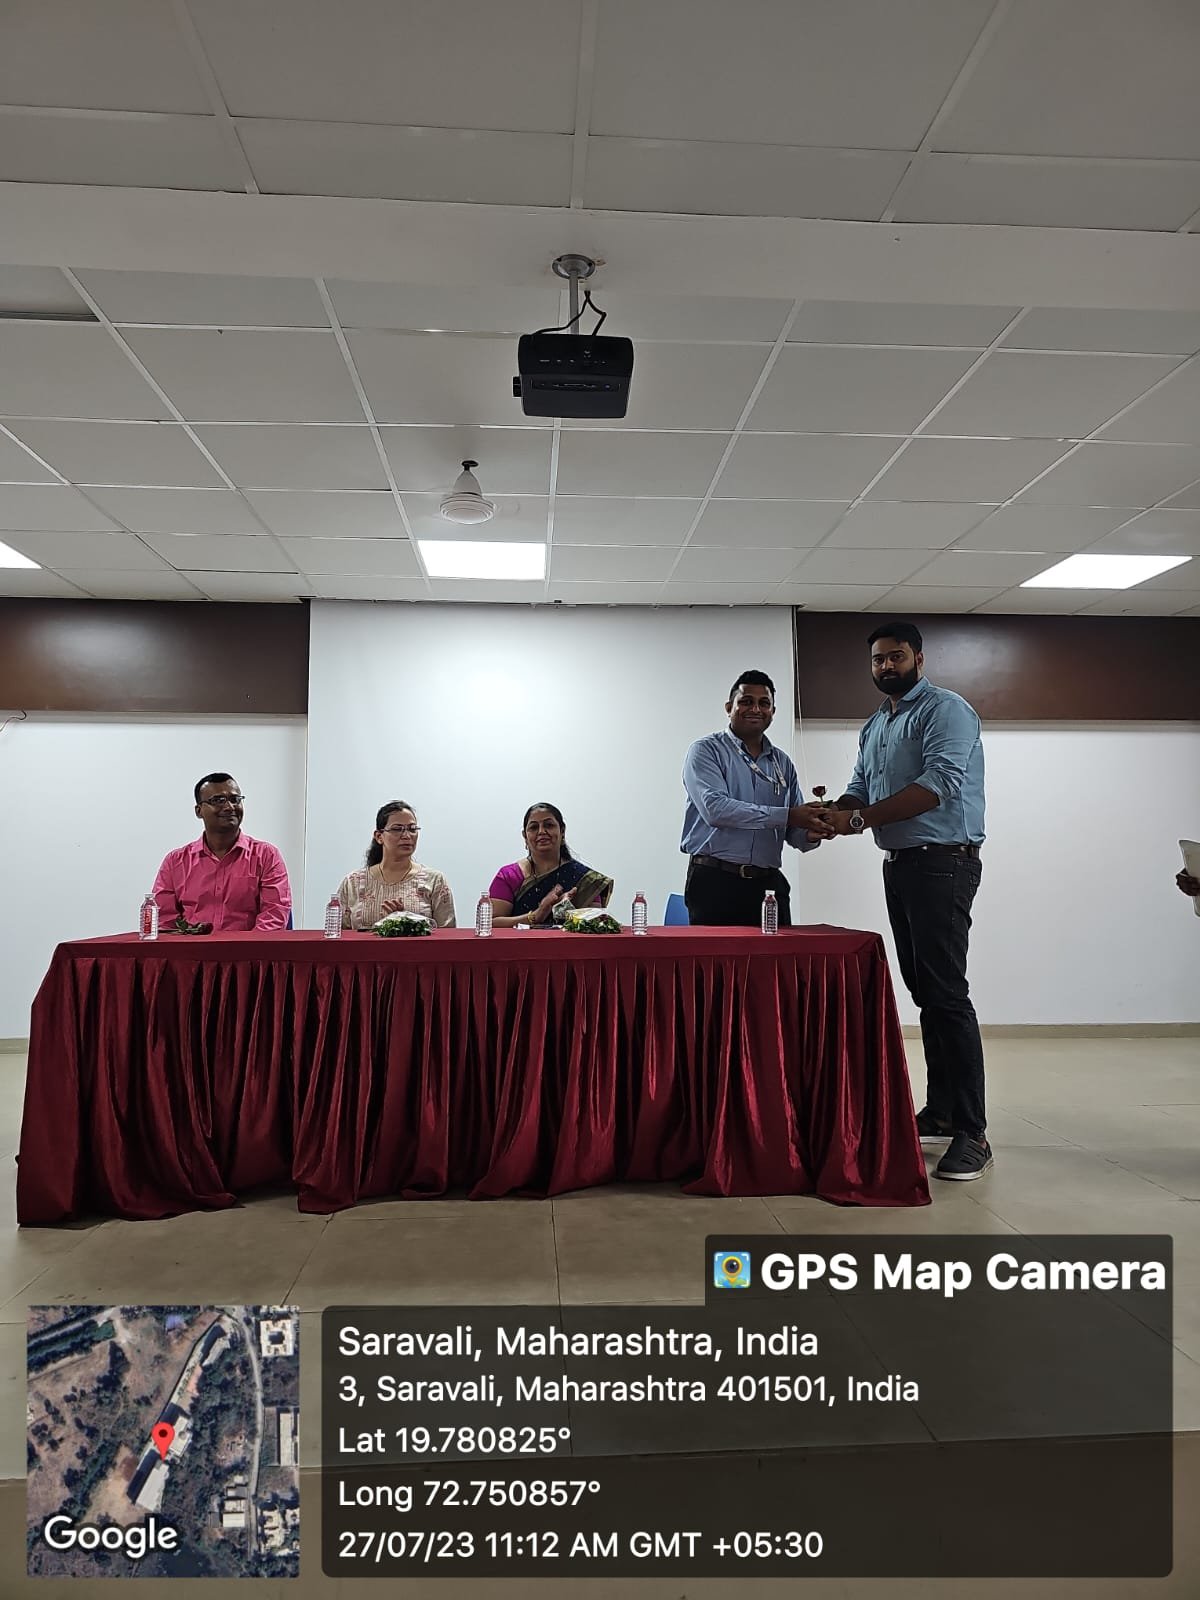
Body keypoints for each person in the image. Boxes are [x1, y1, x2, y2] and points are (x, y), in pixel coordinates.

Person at [823, 623, 991, 1181]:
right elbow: (861, 788)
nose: (885, 666)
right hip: (900, 864)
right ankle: (940, 1112)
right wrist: (834, 813)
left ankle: (973, 1132)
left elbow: (939, 783)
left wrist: (857, 820)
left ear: (919, 658)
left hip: (944, 862)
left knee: (947, 994)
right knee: (926, 993)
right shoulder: (876, 723)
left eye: (895, 657)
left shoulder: (947, 710)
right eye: (877, 660)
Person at [680, 670, 832, 927]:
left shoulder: (782, 763)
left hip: (768, 886)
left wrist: (814, 831)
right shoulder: (706, 751)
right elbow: (715, 810)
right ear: (729, 707)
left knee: (777, 954)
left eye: (764, 703)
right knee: (719, 955)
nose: (755, 709)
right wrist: (789, 816)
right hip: (715, 882)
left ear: (773, 711)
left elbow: (794, 831)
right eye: (746, 701)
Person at [153, 772, 291, 931]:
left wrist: (244, 946)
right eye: (218, 800)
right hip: (192, 947)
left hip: (249, 946)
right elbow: (164, 921)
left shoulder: (266, 856)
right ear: (199, 811)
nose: (229, 807)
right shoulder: (175, 862)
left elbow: (274, 916)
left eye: (235, 799)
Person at [488, 803, 613, 928]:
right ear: (525, 836)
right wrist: (536, 915)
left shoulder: (585, 879)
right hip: (519, 942)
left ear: (562, 831)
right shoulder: (509, 876)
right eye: (534, 827)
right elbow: (491, 924)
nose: (541, 831)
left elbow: (595, 927)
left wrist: (567, 911)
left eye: (549, 825)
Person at [337, 801, 455, 929]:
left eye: (412, 829)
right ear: (379, 836)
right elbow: (339, 934)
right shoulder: (353, 882)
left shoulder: (434, 880)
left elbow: (448, 935)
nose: (407, 836)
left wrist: (406, 921)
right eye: (397, 829)